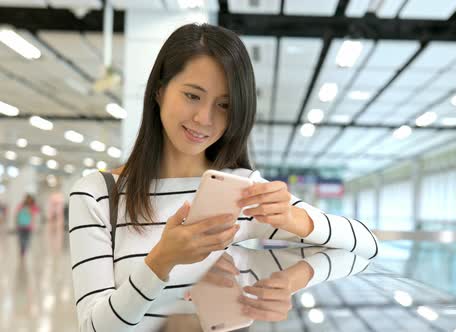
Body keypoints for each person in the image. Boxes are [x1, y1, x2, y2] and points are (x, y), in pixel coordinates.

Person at [68, 23, 380, 332]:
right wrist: (162, 260)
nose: (204, 118)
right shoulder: (97, 194)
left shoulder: (242, 191)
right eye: (192, 96)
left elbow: (368, 245)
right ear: (160, 91)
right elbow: (94, 327)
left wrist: (290, 257)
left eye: (224, 105)